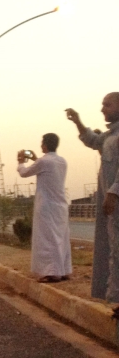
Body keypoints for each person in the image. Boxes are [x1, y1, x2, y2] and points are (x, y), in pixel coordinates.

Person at [68, 93, 119, 303]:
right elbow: (92, 140)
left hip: (114, 200)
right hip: (111, 207)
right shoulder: (110, 136)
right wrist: (77, 121)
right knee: (113, 251)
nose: (103, 109)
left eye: (107, 105)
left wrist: (113, 191)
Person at [17, 134, 71, 283]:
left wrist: (21, 162)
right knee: (61, 239)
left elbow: (24, 173)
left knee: (48, 239)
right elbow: (46, 169)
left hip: (46, 206)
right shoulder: (62, 161)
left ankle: (52, 272)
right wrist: (36, 159)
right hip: (60, 205)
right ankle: (64, 270)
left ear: (45, 145)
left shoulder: (43, 161)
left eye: (42, 143)